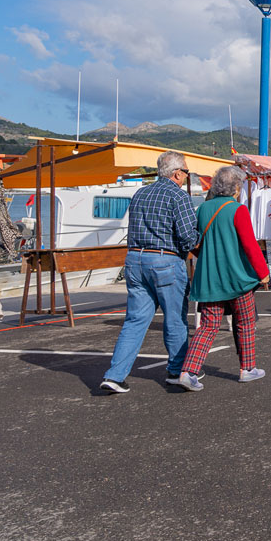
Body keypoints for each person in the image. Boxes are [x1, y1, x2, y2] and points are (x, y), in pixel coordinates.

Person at [100, 151, 198, 394]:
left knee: (134, 320)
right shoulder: (179, 196)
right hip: (165, 259)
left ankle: (115, 375)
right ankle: (176, 371)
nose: (186, 176)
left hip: (135, 258)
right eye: (186, 172)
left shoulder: (140, 193)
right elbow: (187, 237)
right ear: (177, 173)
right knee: (175, 319)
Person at [177, 166, 271, 392]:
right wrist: (263, 272)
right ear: (236, 188)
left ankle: (188, 371)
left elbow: (195, 242)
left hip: (209, 277)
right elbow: (250, 246)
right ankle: (247, 368)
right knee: (245, 322)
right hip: (237, 277)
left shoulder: (203, 209)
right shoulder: (237, 210)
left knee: (207, 326)